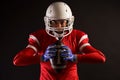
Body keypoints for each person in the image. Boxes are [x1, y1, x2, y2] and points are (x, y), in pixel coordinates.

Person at [13, 1, 106, 80]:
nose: (59, 26)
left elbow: (100, 57)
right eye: (54, 22)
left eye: (62, 22)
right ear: (47, 21)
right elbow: (18, 60)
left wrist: (74, 57)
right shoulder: (39, 36)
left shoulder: (77, 36)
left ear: (69, 21)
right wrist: (42, 57)